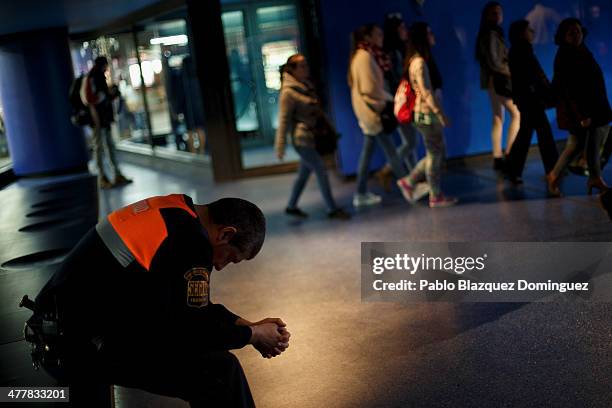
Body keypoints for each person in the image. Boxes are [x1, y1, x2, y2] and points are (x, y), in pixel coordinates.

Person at [28, 195, 289, 407]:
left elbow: (189, 308)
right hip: (78, 344)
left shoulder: (175, 210)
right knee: (217, 372)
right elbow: (193, 328)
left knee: (210, 364)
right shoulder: (189, 240)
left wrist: (250, 325)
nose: (221, 267)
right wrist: (252, 335)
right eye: (231, 258)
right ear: (225, 235)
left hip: (71, 327)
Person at [275, 54, 350, 220]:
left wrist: (331, 130)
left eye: (306, 65)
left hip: (312, 136)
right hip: (301, 139)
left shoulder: (305, 86)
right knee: (321, 171)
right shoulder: (288, 93)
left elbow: (319, 113)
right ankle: (332, 209)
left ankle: (291, 206)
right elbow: (283, 120)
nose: (306, 68)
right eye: (301, 66)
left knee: (304, 173)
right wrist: (280, 146)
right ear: (292, 70)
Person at [348, 24, 413, 208]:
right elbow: (370, 89)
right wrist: (390, 98)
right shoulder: (364, 56)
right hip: (372, 113)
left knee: (369, 154)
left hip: (370, 112)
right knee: (391, 152)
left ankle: (360, 192)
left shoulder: (365, 55)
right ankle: (408, 187)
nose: (381, 37)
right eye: (378, 34)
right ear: (368, 36)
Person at [546, 18, 612, 196]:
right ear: (564, 36)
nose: (576, 35)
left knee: (578, 144)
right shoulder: (566, 56)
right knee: (585, 142)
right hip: (580, 110)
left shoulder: (580, 50)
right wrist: (582, 115)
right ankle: (592, 177)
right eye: (571, 33)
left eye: (578, 31)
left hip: (590, 107)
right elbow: (570, 90)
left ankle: (589, 177)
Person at [399, 22, 457, 208]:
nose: (433, 36)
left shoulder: (418, 60)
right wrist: (440, 114)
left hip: (424, 113)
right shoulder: (419, 62)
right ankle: (435, 195)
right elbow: (426, 92)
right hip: (426, 114)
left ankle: (409, 181)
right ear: (422, 37)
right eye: (429, 33)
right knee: (435, 154)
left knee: (435, 153)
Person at [504, 20, 559, 185]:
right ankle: (554, 169)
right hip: (531, 99)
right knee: (543, 133)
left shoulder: (517, 51)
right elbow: (535, 76)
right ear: (522, 33)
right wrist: (548, 92)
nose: (532, 32)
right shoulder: (523, 51)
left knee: (527, 133)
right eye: (529, 30)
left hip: (525, 98)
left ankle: (514, 170)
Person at [375, 14, 421, 192]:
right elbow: (397, 79)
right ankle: (389, 170)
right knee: (410, 142)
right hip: (402, 101)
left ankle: (412, 176)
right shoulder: (394, 52)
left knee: (409, 141)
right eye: (401, 28)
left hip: (400, 101)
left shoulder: (398, 50)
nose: (405, 31)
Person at [475, 2, 521, 171]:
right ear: (487, 16)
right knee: (517, 114)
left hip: (491, 80)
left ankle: (498, 156)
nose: (498, 16)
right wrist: (511, 72)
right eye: (494, 13)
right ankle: (509, 153)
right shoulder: (491, 34)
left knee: (497, 118)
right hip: (498, 79)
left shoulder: (487, 33)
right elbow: (495, 62)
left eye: (499, 12)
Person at [83, 56, 132, 189]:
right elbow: (91, 99)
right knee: (99, 148)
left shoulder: (97, 76)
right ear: (103, 65)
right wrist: (107, 94)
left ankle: (116, 174)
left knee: (109, 146)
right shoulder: (94, 77)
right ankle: (102, 177)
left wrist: (109, 93)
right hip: (98, 121)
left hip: (104, 120)